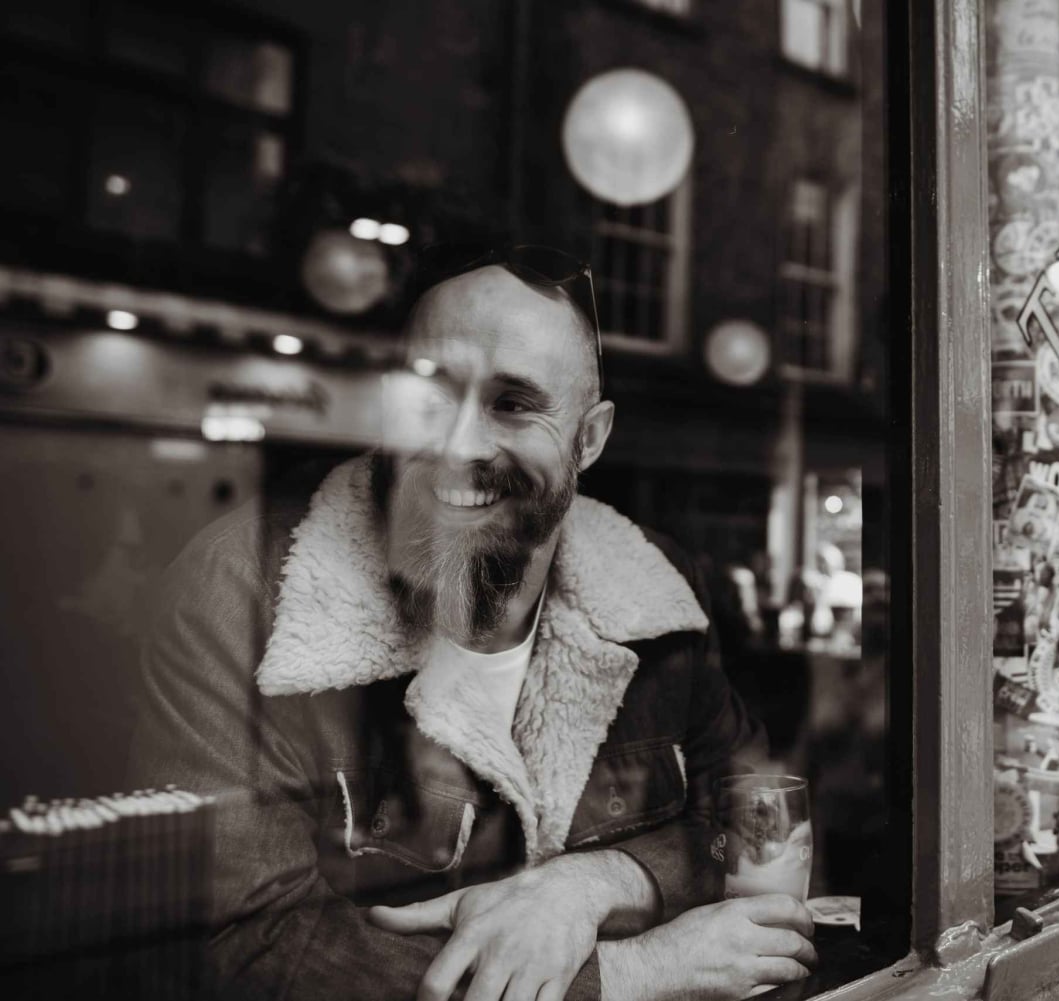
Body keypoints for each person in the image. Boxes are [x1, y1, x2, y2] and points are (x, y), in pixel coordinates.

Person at [131, 246, 818, 1001]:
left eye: (512, 403)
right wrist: (628, 973)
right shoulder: (244, 591)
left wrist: (595, 882)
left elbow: (755, 816)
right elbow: (235, 942)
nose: (457, 443)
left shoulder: (658, 595)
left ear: (590, 438)